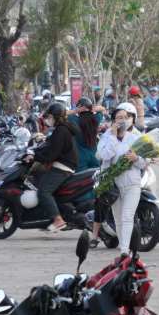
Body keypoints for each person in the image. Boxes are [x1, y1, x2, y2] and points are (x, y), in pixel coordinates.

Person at [96, 103, 147, 255]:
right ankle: (123, 246)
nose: (123, 120)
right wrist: (112, 136)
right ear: (113, 120)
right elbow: (105, 156)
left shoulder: (136, 138)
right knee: (118, 218)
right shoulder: (105, 137)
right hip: (113, 185)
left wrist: (135, 158)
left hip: (132, 183)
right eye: (119, 118)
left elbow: (144, 162)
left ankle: (125, 249)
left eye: (125, 117)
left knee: (127, 216)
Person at [32, 102, 79, 233]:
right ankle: (48, 216)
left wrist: (35, 156)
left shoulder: (61, 130)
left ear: (56, 117)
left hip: (63, 167)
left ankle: (58, 220)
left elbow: (52, 154)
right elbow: (52, 145)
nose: (48, 119)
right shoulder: (62, 128)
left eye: (50, 117)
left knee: (43, 191)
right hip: (65, 164)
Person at [70, 97, 103, 171]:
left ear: (79, 108)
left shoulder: (73, 120)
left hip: (80, 157)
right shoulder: (96, 118)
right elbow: (102, 109)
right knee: (96, 179)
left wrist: (76, 110)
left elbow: (62, 114)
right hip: (94, 155)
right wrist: (92, 109)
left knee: (80, 181)